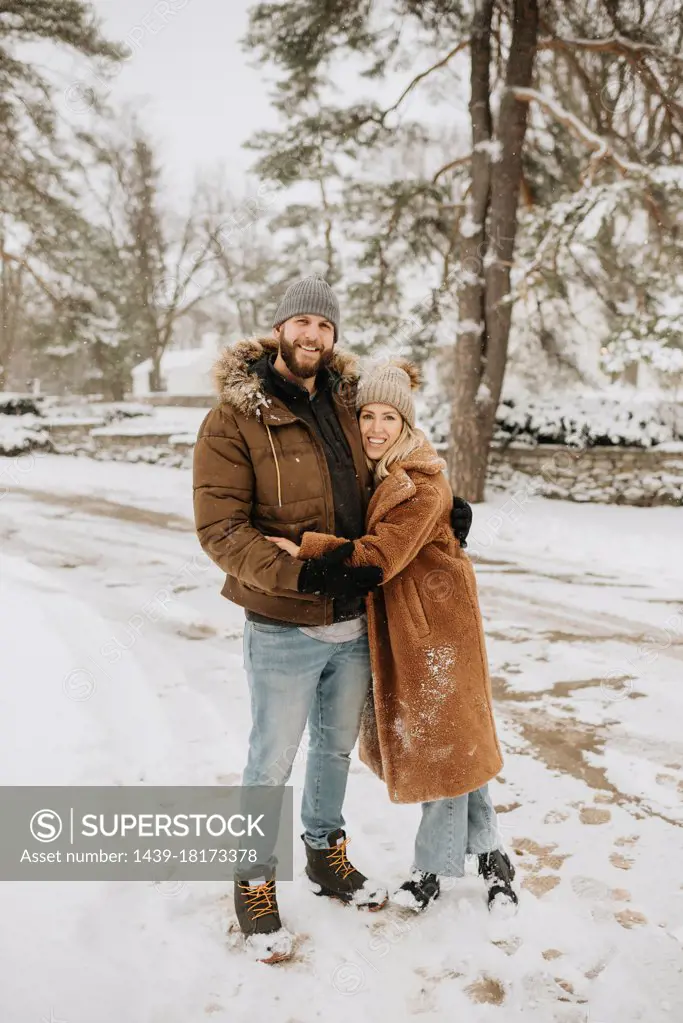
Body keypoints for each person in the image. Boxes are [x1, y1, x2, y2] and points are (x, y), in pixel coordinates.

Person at [193, 275, 473, 962]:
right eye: (300, 323)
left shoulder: (349, 402)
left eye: (323, 325)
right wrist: (303, 571)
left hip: (353, 621)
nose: (311, 335)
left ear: (333, 336)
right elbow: (221, 529)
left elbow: (397, 449)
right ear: (279, 328)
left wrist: (445, 503)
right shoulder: (234, 417)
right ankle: (253, 879)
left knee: (332, 750)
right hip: (282, 623)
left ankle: (325, 854)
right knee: (271, 757)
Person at [267, 359, 518, 916]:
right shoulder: (378, 471)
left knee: (442, 747)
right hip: (409, 626)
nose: (376, 428)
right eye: (367, 416)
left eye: (389, 417)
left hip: (436, 633)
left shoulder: (420, 481)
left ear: (407, 423)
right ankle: (494, 855)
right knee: (457, 744)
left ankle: (430, 868)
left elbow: (377, 558)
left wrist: (304, 549)